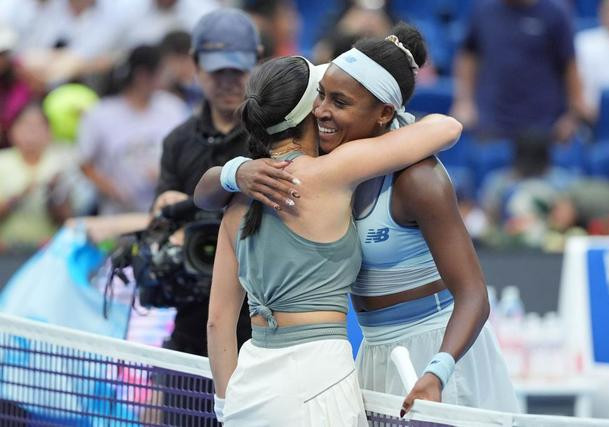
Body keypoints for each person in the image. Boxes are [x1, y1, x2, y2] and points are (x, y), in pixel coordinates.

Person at [197, 23, 519, 414]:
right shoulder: (329, 167)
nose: (321, 110)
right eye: (321, 96)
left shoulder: (418, 180)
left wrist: (437, 372)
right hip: (369, 353)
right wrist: (237, 170)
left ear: (384, 113)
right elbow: (206, 194)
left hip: (440, 356)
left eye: (339, 102)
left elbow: (474, 295)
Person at [153, 8, 261, 357]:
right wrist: (164, 212)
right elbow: (159, 226)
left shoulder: (273, 137)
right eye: (217, 71)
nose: (228, 81)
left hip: (260, 322)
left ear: (256, 62)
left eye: (237, 70)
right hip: (191, 316)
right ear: (196, 65)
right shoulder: (177, 141)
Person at [450, 0, 592, 141]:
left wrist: (572, 115)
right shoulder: (483, 9)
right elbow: (468, 56)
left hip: (542, 126)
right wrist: (464, 101)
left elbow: (570, 66)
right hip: (491, 122)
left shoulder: (555, 11)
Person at [77, 44, 187, 216]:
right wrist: (113, 190)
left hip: (167, 211)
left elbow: (188, 151)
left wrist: (168, 174)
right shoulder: (100, 114)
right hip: (118, 215)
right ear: (142, 75)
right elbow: (84, 163)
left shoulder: (173, 107)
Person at [0, 103, 72, 249]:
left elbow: (70, 219)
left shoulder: (59, 164)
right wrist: (19, 196)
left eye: (38, 127)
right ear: (12, 131)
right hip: (6, 248)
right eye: (25, 126)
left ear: (49, 133)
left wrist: (55, 194)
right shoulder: (3, 162)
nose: (31, 133)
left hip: (47, 248)